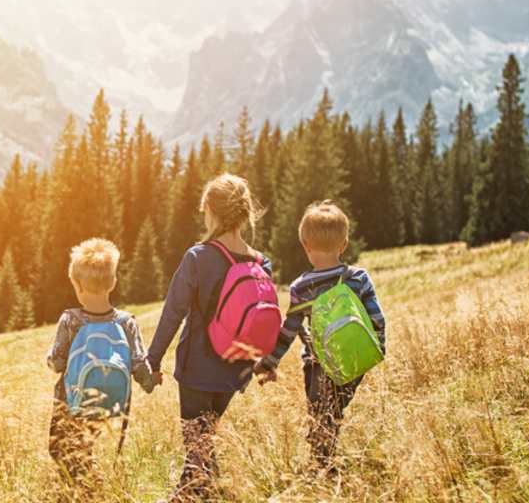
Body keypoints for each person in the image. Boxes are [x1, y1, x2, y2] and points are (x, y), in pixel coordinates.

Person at [146, 174, 272, 500]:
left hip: (197, 369)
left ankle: (193, 496)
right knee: (205, 443)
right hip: (235, 370)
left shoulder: (198, 257)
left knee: (196, 451)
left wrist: (153, 360)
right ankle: (214, 492)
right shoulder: (260, 262)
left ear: (210, 211)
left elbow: (172, 313)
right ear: (245, 214)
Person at [259, 200, 387, 475]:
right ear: (344, 244)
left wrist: (270, 362)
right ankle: (326, 457)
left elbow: (289, 330)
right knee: (334, 411)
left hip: (318, 363)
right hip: (355, 357)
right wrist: (378, 347)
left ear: (305, 245)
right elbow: (377, 317)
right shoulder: (359, 278)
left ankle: (322, 466)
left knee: (320, 415)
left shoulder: (301, 287)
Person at [45, 238, 155, 489]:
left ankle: (90, 489)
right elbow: (139, 362)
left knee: (60, 450)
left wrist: (48, 358)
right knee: (84, 445)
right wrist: (149, 382)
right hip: (107, 399)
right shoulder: (126, 321)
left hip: (69, 400)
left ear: (77, 284)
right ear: (113, 282)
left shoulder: (71, 320)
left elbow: (58, 362)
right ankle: (87, 488)